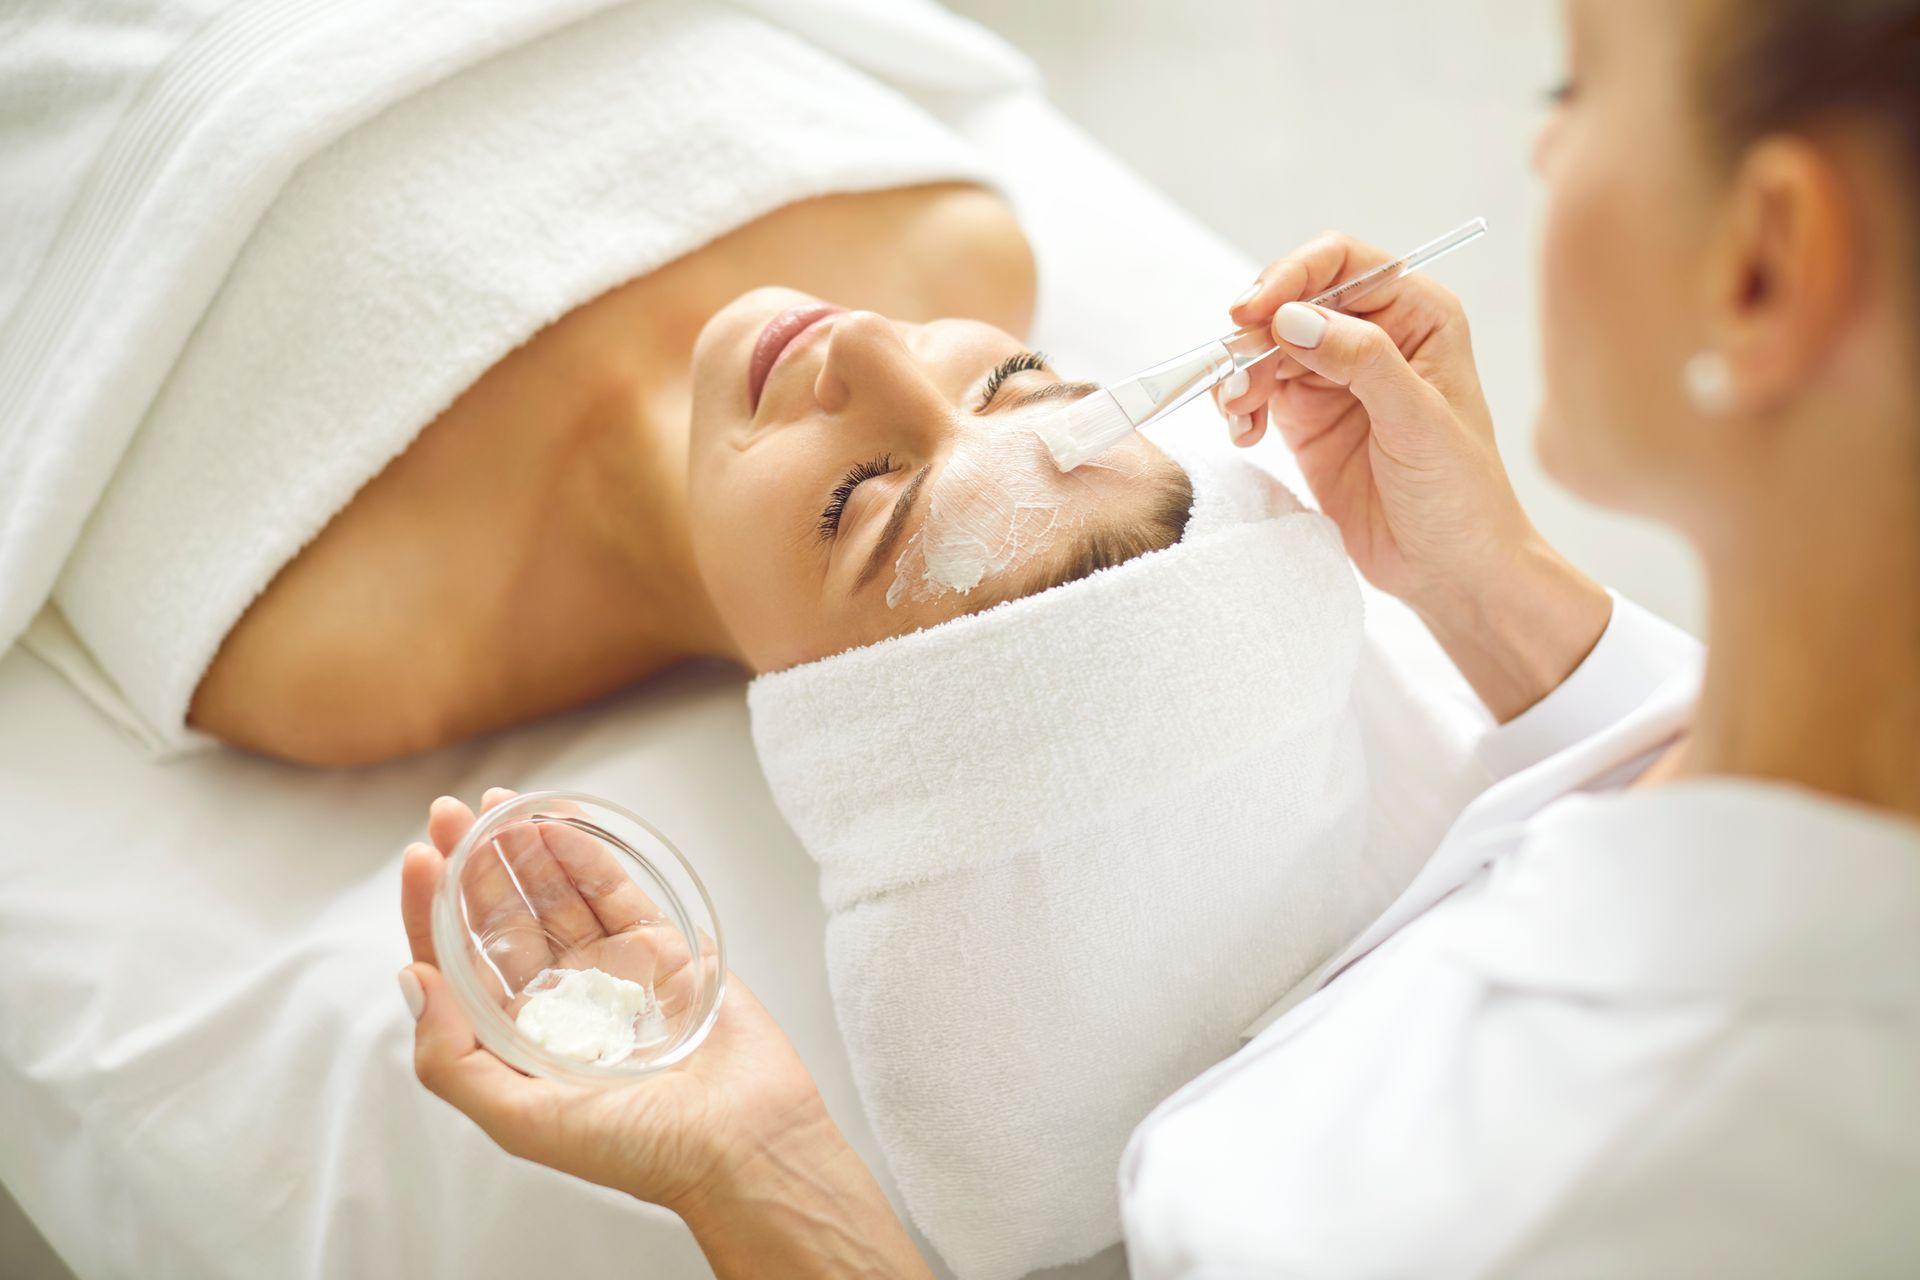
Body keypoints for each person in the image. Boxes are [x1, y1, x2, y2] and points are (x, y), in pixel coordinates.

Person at [396, 0, 1920, 1273]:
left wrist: (766, 1178)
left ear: (1764, 264)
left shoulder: (1549, 1203)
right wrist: (1498, 583)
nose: (1540, 149)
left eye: (1575, 93)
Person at [189, 182, 1193, 766]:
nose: (871, 343)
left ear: (816, 716)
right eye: (1010, 379)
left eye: (862, 502)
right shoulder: (954, 241)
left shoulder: (352, 642)